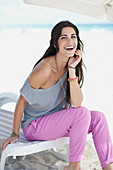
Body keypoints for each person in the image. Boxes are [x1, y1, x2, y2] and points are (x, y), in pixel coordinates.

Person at [1, 20, 113, 170]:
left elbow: (77, 103)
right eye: (64, 37)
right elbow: (21, 101)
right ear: (55, 44)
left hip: (57, 119)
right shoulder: (43, 71)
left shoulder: (70, 64)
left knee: (98, 117)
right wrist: (15, 133)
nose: (70, 41)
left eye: (73, 37)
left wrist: (72, 69)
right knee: (82, 113)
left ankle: (108, 166)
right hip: (35, 125)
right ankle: (74, 166)